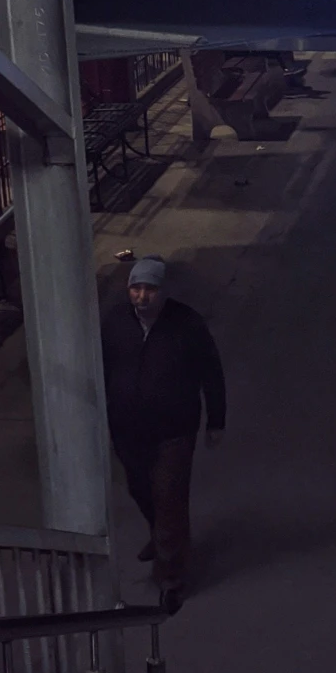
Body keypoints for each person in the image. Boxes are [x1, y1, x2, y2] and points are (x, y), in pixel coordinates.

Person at [101, 255, 225, 611]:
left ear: (163, 293)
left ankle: (172, 576)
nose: (142, 297)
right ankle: (161, 536)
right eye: (135, 289)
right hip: (128, 430)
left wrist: (217, 419)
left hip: (174, 429)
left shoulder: (186, 325)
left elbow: (210, 370)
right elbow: (103, 365)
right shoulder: (115, 324)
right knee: (140, 488)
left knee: (169, 496)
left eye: (149, 290)